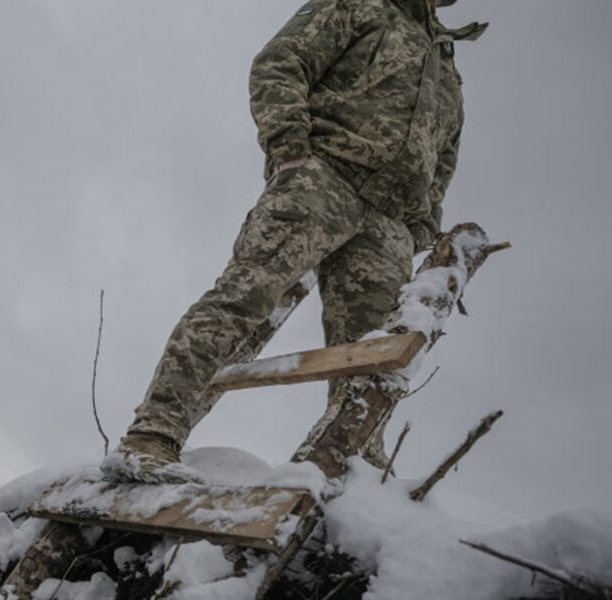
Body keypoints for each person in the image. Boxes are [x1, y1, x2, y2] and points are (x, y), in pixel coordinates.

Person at [103, 0, 486, 483]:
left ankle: (351, 475)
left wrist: (421, 227)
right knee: (245, 300)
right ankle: (153, 434)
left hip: (389, 223)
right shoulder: (360, 6)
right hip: (322, 179)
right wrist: (291, 152)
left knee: (371, 353)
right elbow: (281, 62)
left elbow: (444, 158)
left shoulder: (446, 64)